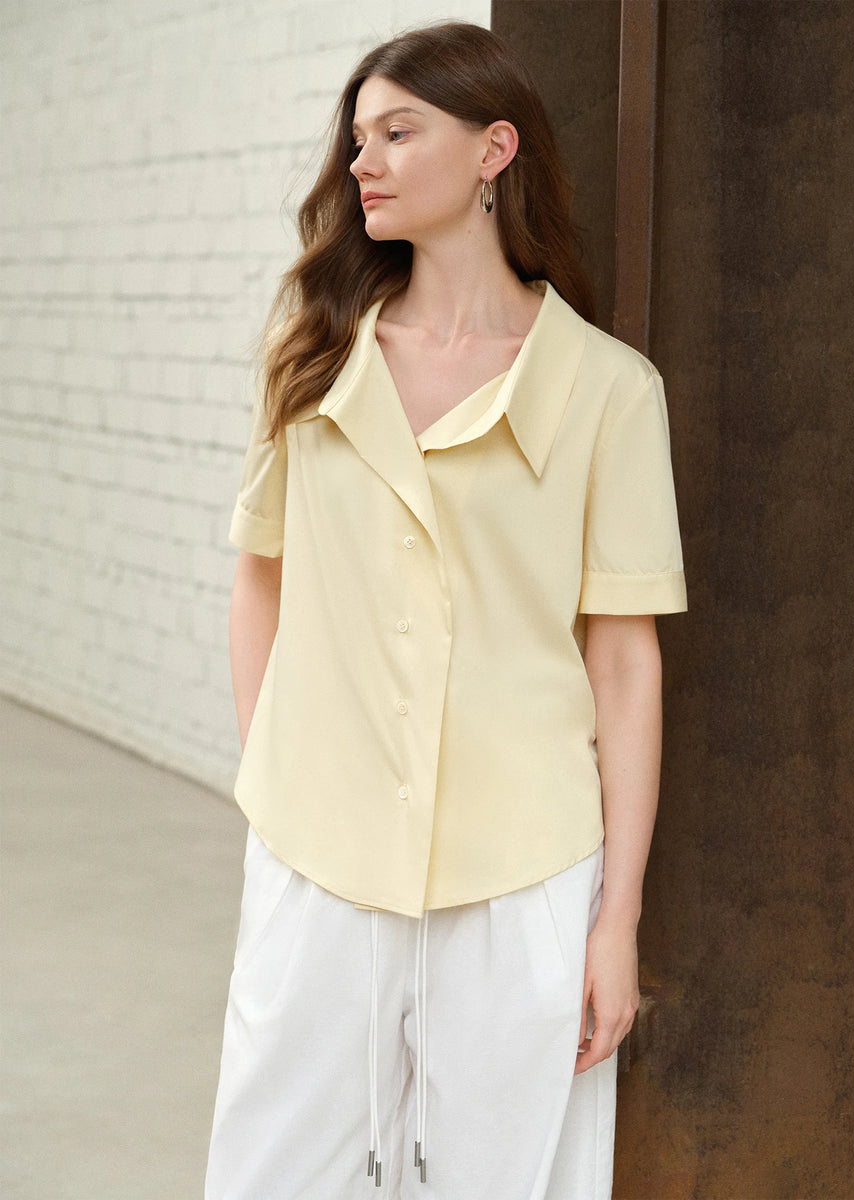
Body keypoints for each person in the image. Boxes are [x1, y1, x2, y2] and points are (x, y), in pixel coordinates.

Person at [204, 19, 686, 1200]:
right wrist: (273, 783)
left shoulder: (611, 391)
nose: (362, 160)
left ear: (493, 150)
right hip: (319, 852)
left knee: (506, 1178)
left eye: (398, 132)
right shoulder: (315, 355)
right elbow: (259, 575)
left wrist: (612, 922)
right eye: (357, 138)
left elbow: (622, 663)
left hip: (524, 867)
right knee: (275, 1170)